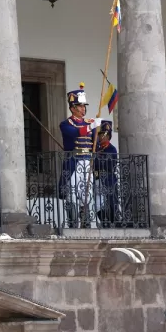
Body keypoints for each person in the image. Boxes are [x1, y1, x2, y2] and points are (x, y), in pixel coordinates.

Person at [58, 82, 103, 228]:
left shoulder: (90, 122)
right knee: (72, 192)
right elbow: (76, 132)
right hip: (74, 160)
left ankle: (87, 222)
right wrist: (91, 126)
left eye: (84, 106)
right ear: (72, 108)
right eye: (80, 106)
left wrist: (95, 129)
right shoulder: (66, 124)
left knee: (88, 193)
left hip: (88, 161)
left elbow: (95, 143)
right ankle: (72, 223)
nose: (83, 109)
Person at [93, 120, 118, 226]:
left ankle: (112, 221)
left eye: (104, 134)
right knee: (98, 204)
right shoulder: (96, 148)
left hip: (108, 178)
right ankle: (103, 221)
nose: (101, 137)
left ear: (108, 136)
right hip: (97, 178)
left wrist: (96, 159)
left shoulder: (111, 149)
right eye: (100, 134)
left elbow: (109, 164)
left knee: (111, 203)